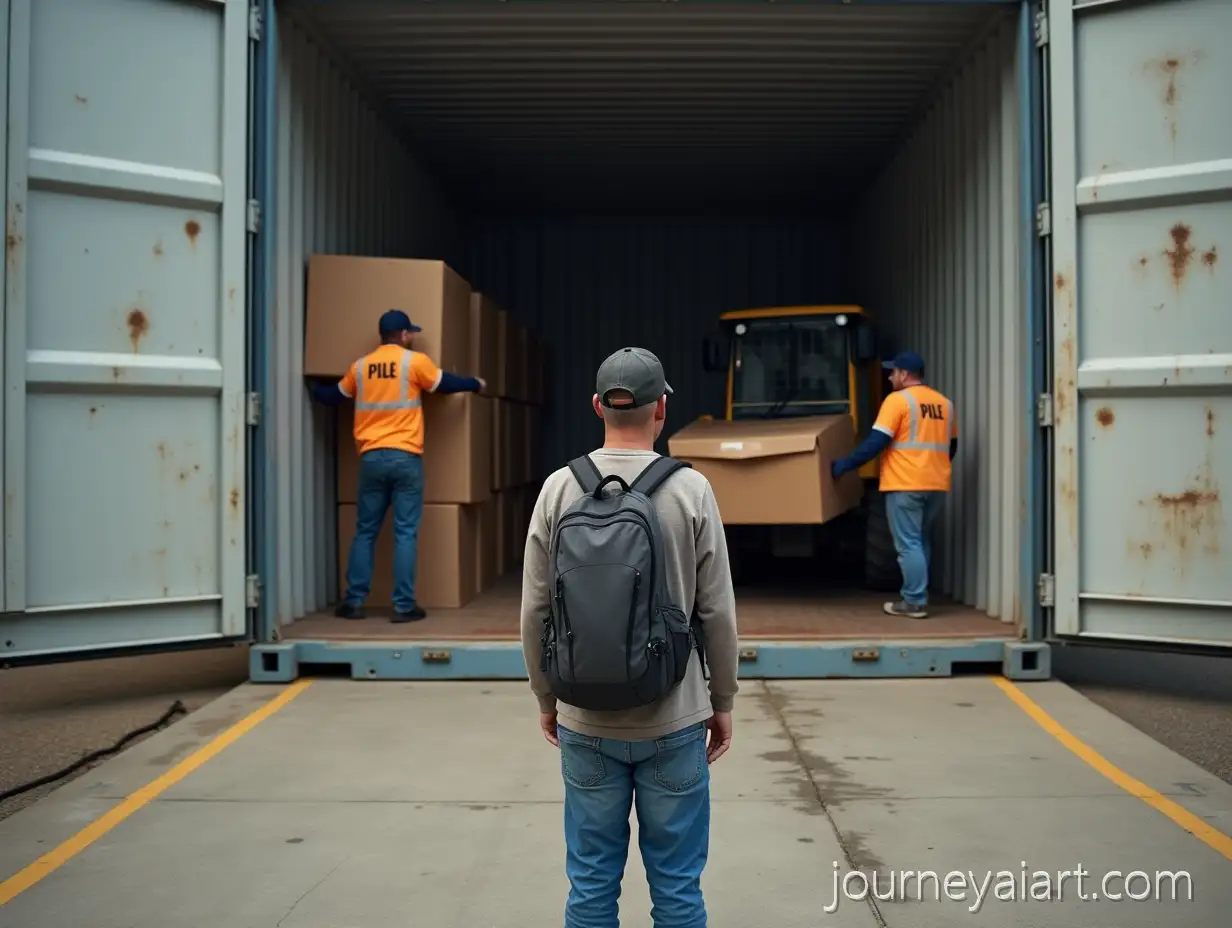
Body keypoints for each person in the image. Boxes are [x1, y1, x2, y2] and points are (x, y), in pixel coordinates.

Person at [519, 346, 739, 928]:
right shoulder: (691, 490)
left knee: (590, 885)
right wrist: (722, 701)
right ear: (661, 407)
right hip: (675, 715)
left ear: (598, 405)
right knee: (677, 890)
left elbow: (535, 610)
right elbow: (717, 612)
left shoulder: (559, 489)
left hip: (585, 720)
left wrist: (547, 699)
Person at [311, 309, 485, 622]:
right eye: (411, 333)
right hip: (405, 457)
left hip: (371, 458)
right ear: (404, 335)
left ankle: (353, 602)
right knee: (405, 533)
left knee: (365, 531)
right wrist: (475, 383)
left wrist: (312, 387)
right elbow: (444, 384)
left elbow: (332, 396)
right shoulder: (412, 362)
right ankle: (403, 607)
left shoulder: (361, 367)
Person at [831, 350, 957, 619]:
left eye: (893, 372)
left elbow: (876, 442)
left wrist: (845, 465)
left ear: (904, 374)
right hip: (936, 484)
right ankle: (919, 594)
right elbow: (952, 446)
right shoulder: (944, 404)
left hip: (906, 484)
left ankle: (914, 601)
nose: (890, 377)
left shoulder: (898, 401)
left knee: (908, 544)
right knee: (921, 541)